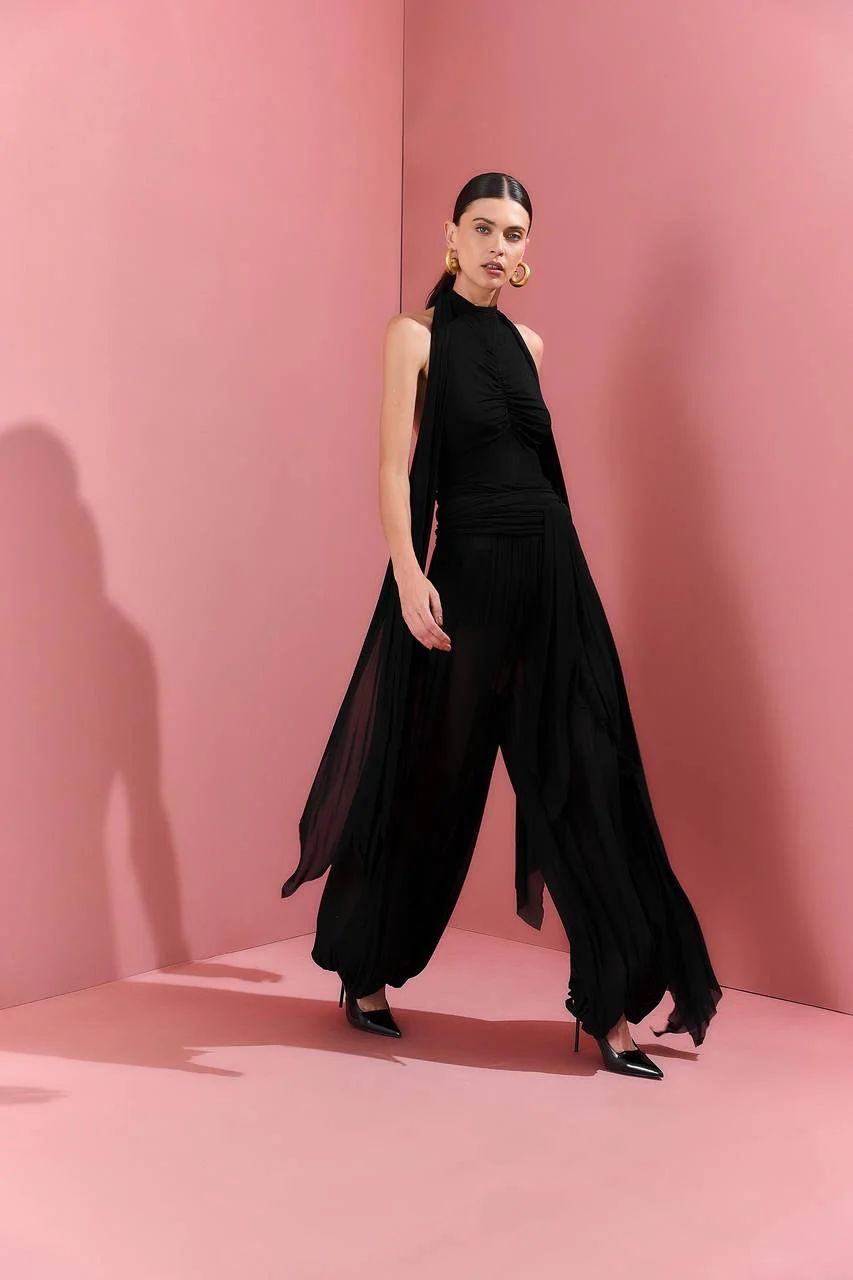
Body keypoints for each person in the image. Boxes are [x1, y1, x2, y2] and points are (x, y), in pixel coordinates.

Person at [281, 172, 722, 1080]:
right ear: (452, 236)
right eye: (482, 228)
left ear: (526, 251)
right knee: (432, 776)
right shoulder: (414, 336)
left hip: (555, 579)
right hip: (467, 579)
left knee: (587, 776)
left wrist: (569, 586)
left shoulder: (528, 343)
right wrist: (408, 572)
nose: (497, 246)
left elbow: (539, 472)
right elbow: (392, 467)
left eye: (513, 234)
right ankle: (365, 966)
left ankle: (609, 1007)